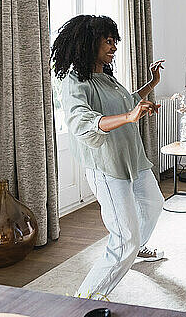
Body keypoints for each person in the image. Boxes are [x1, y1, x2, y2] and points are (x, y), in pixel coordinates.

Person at [52, 15, 166, 299]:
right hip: (107, 164)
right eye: (108, 41)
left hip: (132, 157)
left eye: (115, 40)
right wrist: (129, 116)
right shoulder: (75, 80)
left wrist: (151, 85)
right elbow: (81, 121)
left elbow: (127, 101)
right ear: (89, 43)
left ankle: (138, 247)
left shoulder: (105, 76)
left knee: (153, 202)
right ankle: (85, 298)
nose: (114, 46)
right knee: (124, 237)